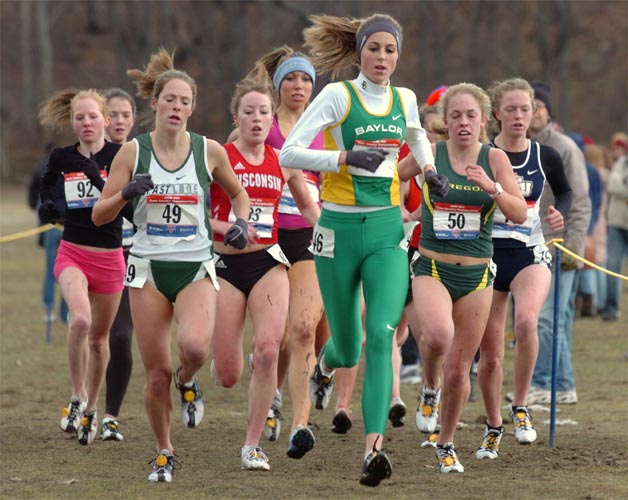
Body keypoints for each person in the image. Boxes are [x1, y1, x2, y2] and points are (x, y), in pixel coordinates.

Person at [280, 13, 445, 486]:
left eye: (390, 50)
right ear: (359, 54)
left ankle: (373, 451)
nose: (382, 58)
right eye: (373, 49)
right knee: (348, 347)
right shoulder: (338, 96)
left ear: (398, 55)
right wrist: (344, 158)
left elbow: (415, 135)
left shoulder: (405, 98)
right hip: (337, 232)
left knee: (381, 334)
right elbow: (290, 152)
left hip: (386, 233)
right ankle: (325, 369)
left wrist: (429, 168)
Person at [92, 48, 250, 482]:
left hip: (196, 265)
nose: (177, 107)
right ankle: (164, 451)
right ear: (155, 104)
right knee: (156, 376)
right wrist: (127, 194)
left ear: (192, 109)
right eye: (170, 100)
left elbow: (239, 194)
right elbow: (99, 215)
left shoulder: (209, 151)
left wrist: (240, 222)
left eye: (184, 101)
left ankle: (190, 379)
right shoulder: (131, 153)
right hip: (146, 270)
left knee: (196, 348)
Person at [399, 82, 527, 473]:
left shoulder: (495, 159)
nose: (463, 122)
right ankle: (428, 387)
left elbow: (519, 213)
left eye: (471, 115)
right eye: (455, 116)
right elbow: (390, 180)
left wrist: (493, 189)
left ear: (484, 119)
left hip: (476, 276)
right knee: (436, 335)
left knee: (460, 370)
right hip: (432, 266)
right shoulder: (430, 154)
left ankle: (446, 443)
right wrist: (404, 211)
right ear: (445, 121)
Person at [210, 78, 320, 471]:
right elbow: (196, 215)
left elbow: (309, 209)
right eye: (249, 112)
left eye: (263, 113)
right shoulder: (217, 157)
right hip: (225, 266)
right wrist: (226, 229)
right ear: (235, 117)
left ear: (271, 119)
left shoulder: (283, 159)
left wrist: (334, 241)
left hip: (269, 261)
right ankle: (214, 363)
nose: (257, 119)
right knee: (227, 374)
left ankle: (252, 445)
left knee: (270, 348)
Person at [240, 47, 330, 457]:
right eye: (291, 79)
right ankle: (272, 396)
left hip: (309, 238)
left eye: (306, 80)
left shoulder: (326, 129)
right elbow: (229, 173)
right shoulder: (262, 125)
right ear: (278, 86)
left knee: (304, 330)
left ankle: (300, 424)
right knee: (273, 340)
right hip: (269, 240)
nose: (299, 86)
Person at [474, 77, 571, 460]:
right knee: (492, 352)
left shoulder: (545, 155)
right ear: (496, 113)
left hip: (529, 251)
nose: (518, 116)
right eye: (510, 109)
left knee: (528, 322)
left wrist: (557, 215)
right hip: (488, 253)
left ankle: (521, 406)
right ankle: (494, 423)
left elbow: (565, 191)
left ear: (534, 113)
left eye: (525, 109)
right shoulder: (483, 154)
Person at [38, 89, 129, 446]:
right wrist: (48, 205)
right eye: (79, 118)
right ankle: (77, 396)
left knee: (99, 339)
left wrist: (96, 177)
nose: (86, 123)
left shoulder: (121, 155)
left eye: (92, 117)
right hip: (73, 251)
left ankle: (91, 407)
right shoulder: (62, 156)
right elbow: (46, 184)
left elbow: (124, 204)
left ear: (106, 120)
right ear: (72, 123)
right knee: (80, 319)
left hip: (110, 256)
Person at [528, 80, 591, 405]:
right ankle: (562, 385)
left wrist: (574, 247)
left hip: (560, 247)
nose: (531, 112)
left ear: (548, 112)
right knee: (552, 319)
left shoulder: (564, 148)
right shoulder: (521, 148)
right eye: (527, 106)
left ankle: (544, 382)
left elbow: (580, 201)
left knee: (549, 319)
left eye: (537, 106)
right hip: (529, 246)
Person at [100, 88, 136, 441]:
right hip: (93, 256)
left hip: (133, 258)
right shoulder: (89, 157)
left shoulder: (144, 154)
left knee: (121, 336)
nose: (120, 121)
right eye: (113, 114)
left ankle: (111, 415)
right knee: (91, 336)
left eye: (126, 114)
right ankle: (81, 399)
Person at [27, 142, 68, 324]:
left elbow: (32, 197)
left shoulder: (40, 169)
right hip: (63, 226)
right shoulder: (69, 169)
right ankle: (63, 312)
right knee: (68, 271)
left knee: (52, 269)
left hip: (52, 227)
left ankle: (49, 308)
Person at [600, 133, 628, 321]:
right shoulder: (618, 165)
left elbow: (617, 186)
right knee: (613, 266)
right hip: (617, 222)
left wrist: (619, 185)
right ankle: (610, 308)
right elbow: (613, 186)